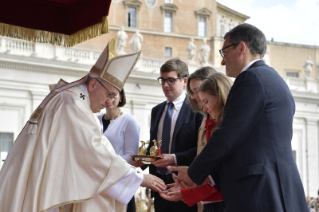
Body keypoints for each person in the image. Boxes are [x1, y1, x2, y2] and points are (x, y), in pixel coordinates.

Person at [0, 37, 166, 212]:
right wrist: (137, 177)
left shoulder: (75, 99)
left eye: (113, 96)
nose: (109, 101)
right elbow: (93, 151)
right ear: (93, 84)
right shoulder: (74, 103)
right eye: (109, 94)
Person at [171, 23, 309, 212]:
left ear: (242, 48)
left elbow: (228, 136)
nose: (222, 61)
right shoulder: (276, 80)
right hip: (277, 187)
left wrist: (194, 173)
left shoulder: (250, 79)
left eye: (224, 52)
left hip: (257, 190)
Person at [161, 70, 233, 212]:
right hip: (205, 198)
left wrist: (192, 178)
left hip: (221, 200)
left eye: (198, 92)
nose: (194, 97)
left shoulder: (227, 126)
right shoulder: (208, 118)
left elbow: (221, 172)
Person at [147, 58, 203, 212]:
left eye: (171, 80)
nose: (165, 85)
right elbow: (154, 146)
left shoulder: (197, 109)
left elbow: (201, 149)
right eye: (162, 80)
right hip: (159, 184)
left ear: (184, 81)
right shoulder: (156, 111)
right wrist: (142, 159)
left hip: (184, 184)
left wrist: (174, 158)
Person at [97, 88, 140, 212]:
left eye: (113, 95)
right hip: (98, 181)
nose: (109, 99)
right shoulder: (95, 119)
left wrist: (104, 163)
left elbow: (132, 156)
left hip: (119, 181)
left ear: (121, 97)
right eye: (106, 95)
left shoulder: (129, 121)